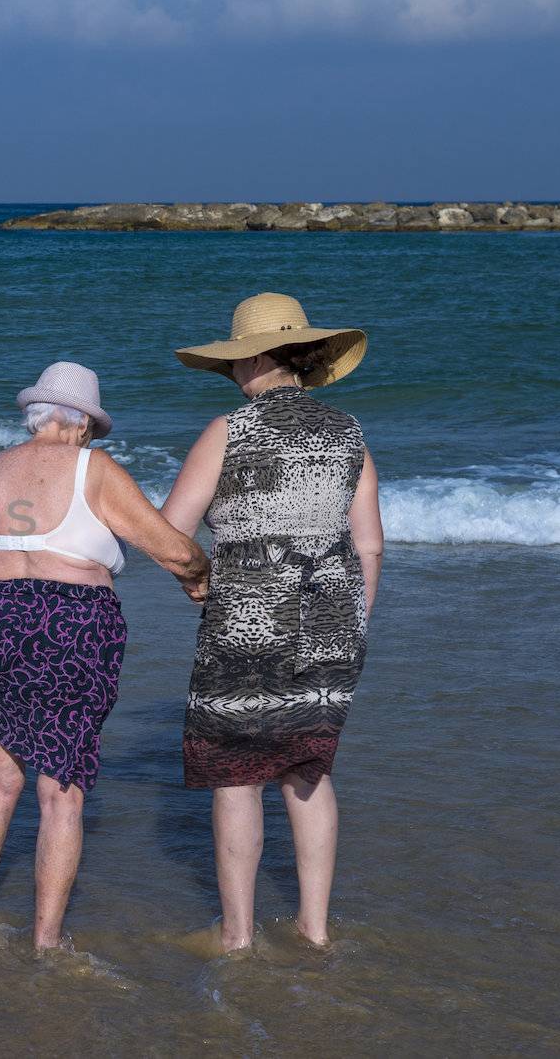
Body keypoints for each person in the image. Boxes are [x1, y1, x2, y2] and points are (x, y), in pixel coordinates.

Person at [0, 362, 210, 951]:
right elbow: (173, 551)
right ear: (83, 427)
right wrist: (203, 581)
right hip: (71, 624)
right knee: (61, 790)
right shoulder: (95, 469)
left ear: (36, 417)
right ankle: (46, 941)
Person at [162, 292, 383, 951]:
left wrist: (195, 580)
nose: (231, 374)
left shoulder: (229, 432)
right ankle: (314, 930)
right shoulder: (349, 432)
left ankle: (238, 937)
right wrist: (352, 620)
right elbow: (368, 545)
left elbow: (171, 531)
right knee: (308, 772)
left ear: (254, 358)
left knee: (238, 779)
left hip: (249, 617)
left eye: (232, 363)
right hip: (335, 620)